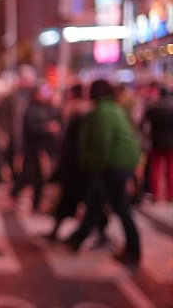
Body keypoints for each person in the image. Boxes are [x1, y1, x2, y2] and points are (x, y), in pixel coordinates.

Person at [64, 79, 142, 266]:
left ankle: (133, 249)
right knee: (95, 202)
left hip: (113, 165)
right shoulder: (110, 109)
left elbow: (102, 145)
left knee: (120, 207)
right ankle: (78, 238)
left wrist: (94, 168)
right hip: (116, 164)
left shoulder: (103, 113)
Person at [44, 84, 108, 244]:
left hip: (77, 166)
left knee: (80, 200)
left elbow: (74, 144)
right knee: (86, 201)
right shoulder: (89, 113)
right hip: (81, 166)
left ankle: (89, 235)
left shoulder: (81, 115)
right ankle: (94, 234)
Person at [9, 83, 61, 212]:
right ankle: (16, 194)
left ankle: (35, 204)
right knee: (29, 176)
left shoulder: (44, 108)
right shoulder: (32, 109)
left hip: (39, 149)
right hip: (32, 149)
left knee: (38, 179)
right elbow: (31, 129)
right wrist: (47, 128)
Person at [142, 87, 173, 202]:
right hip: (171, 142)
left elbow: (143, 125)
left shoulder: (152, 108)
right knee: (171, 169)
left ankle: (155, 195)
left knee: (155, 168)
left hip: (156, 142)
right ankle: (171, 195)